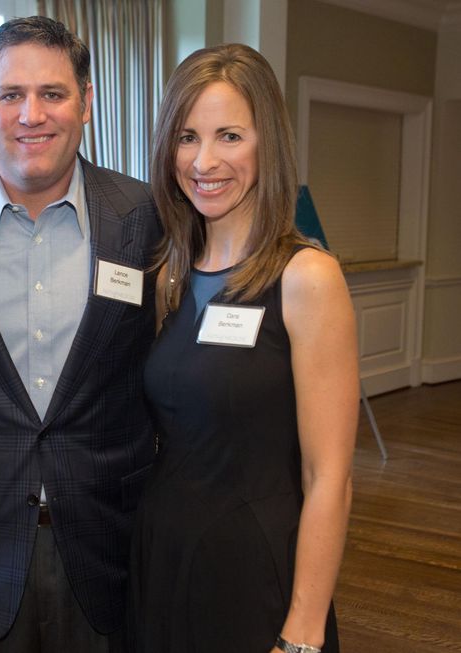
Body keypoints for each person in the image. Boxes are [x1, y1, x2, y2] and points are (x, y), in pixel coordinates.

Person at [0, 16, 161, 652]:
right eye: (11, 95)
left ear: (86, 104)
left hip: (108, 543)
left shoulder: (147, 219)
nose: (32, 115)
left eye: (53, 94)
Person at [128, 43, 358, 653]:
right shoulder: (169, 275)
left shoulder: (307, 278)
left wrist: (303, 634)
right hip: (165, 562)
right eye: (186, 137)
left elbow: (328, 475)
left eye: (229, 135)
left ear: (268, 145)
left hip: (257, 574)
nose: (203, 161)